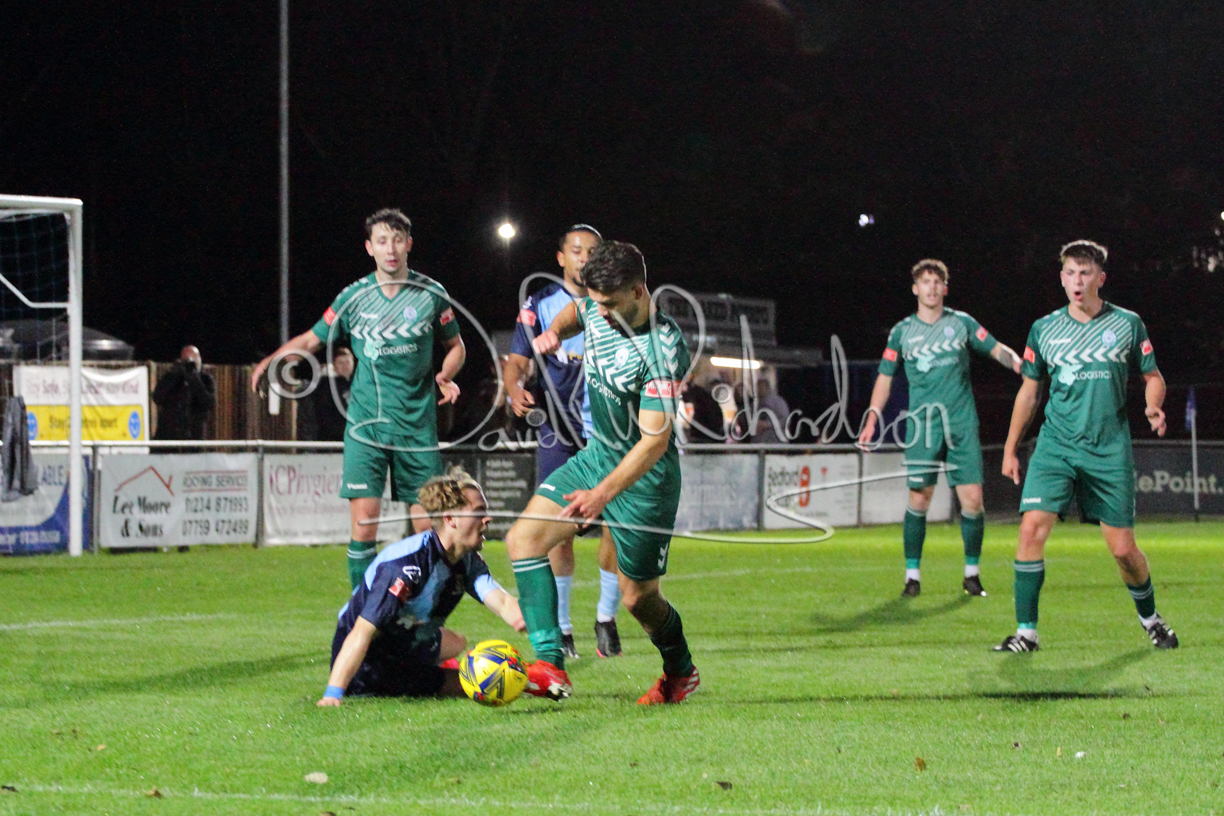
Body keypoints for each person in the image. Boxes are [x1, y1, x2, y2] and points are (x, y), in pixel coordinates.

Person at [505, 240, 698, 705]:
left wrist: (602, 494)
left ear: (638, 291)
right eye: (596, 303)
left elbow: (654, 442)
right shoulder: (597, 307)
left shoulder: (663, 348)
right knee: (523, 541)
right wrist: (553, 331)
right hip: (596, 458)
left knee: (638, 600)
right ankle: (551, 665)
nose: (601, 313)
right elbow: (577, 310)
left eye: (609, 304)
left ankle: (680, 671)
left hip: (646, 482)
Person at [251, 208, 465, 589]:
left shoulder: (431, 293)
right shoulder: (353, 297)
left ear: (409, 244)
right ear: (370, 247)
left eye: (397, 240)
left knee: (427, 528)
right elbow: (311, 339)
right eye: (382, 241)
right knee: (364, 524)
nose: (390, 249)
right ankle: (363, 611)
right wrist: (272, 361)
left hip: (416, 427)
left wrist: (446, 375)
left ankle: (424, 614)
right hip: (367, 426)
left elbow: (457, 346)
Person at [994, 240, 1177, 652]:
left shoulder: (1127, 323)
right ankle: (1026, 634)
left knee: (1123, 550)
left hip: (1108, 449)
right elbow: (1029, 391)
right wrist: (1010, 447)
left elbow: (1152, 376)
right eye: (1071, 273)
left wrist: (1153, 407)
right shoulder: (1044, 329)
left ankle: (1150, 619)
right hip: (1056, 445)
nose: (1077, 281)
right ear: (1062, 278)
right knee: (1030, 529)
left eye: (1085, 273)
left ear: (1100, 278)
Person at [858, 259, 1022, 597]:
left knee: (972, 500)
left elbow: (995, 349)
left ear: (945, 288)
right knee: (920, 498)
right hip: (923, 426)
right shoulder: (902, 332)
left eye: (937, 282)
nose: (931, 287)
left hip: (961, 422)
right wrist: (872, 417)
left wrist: (1018, 363)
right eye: (925, 282)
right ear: (915, 288)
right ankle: (912, 577)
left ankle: (971, 575)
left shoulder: (961, 323)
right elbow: (885, 377)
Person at [504, 224, 624, 661]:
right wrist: (513, 387)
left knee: (617, 526)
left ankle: (606, 618)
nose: (584, 258)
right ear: (561, 258)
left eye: (592, 251)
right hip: (559, 430)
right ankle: (565, 628)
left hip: (609, 431)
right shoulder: (539, 303)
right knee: (559, 530)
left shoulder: (616, 302)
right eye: (576, 250)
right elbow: (516, 360)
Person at [317, 471, 525, 705]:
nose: (487, 519)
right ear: (450, 519)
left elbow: (504, 603)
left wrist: (533, 621)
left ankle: (433, 662)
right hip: (370, 660)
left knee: (458, 643)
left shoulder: (467, 561)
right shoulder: (405, 567)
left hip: (409, 642)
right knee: (478, 684)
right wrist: (332, 694)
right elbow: (361, 632)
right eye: (479, 512)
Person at [153, 345, 216, 441]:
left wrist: (193, 377)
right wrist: (173, 375)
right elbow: (157, 397)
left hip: (193, 436)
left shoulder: (206, 380)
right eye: (185, 361)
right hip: (168, 436)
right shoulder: (172, 377)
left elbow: (207, 403)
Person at [296, 347, 354, 442]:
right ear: (334, 366)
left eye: (348, 362)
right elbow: (324, 416)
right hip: (333, 440)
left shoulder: (359, 385)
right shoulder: (325, 386)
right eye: (340, 363)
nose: (345, 366)